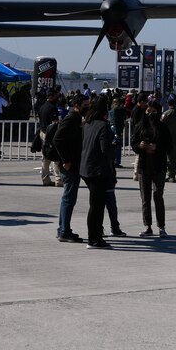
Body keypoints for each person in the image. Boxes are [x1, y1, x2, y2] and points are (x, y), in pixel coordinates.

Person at [79, 96, 118, 248]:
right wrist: (113, 148)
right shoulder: (103, 126)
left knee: (94, 204)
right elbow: (105, 149)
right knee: (97, 206)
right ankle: (94, 239)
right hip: (97, 169)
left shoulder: (87, 124)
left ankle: (94, 236)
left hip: (85, 168)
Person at [133, 99, 173, 236]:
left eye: (154, 111)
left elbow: (169, 146)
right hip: (144, 165)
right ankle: (147, 225)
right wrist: (141, 146)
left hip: (159, 165)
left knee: (158, 196)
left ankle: (161, 226)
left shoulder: (162, 127)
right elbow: (134, 143)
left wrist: (157, 147)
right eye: (148, 111)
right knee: (145, 197)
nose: (151, 114)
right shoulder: (140, 126)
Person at [53, 100, 86, 243]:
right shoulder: (71, 119)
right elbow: (58, 139)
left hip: (72, 163)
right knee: (69, 198)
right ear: (76, 106)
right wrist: (66, 159)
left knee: (68, 198)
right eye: (85, 104)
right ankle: (64, 231)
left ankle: (63, 229)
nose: (87, 107)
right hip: (69, 165)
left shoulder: (76, 119)